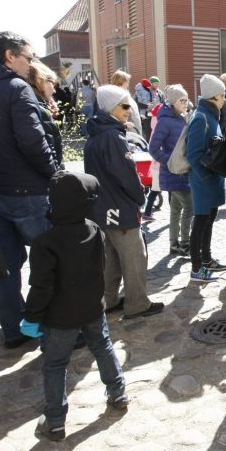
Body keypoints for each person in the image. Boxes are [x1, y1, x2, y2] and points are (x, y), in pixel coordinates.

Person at [0, 31, 59, 348]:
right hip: (27, 191)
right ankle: (55, 326)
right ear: (9, 56)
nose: (31, 64)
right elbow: (33, 140)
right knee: (51, 261)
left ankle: (15, 329)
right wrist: (55, 174)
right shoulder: (16, 88)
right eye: (28, 57)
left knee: (7, 264)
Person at [19, 170, 128, 440]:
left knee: (55, 364)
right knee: (103, 347)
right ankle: (118, 392)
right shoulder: (94, 231)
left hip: (60, 317)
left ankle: (55, 420)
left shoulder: (45, 242)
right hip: (92, 307)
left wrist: (32, 316)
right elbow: (100, 268)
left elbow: (42, 286)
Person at [84, 85, 163, 319]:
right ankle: (137, 303)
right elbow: (126, 175)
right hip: (120, 207)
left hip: (103, 207)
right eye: (125, 106)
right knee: (134, 257)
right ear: (111, 108)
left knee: (110, 258)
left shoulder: (96, 134)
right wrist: (140, 196)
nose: (129, 111)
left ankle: (108, 300)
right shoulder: (113, 137)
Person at [185, 75, 226, 281]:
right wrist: (205, 176)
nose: (224, 100)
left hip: (212, 179)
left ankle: (207, 260)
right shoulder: (200, 117)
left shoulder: (211, 115)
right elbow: (193, 154)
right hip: (204, 182)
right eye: (222, 96)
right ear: (213, 97)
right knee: (201, 223)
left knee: (209, 221)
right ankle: (196, 269)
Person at [148, 85, 193, 258]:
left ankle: (174, 245)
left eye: (187, 99)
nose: (186, 103)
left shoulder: (180, 117)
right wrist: (170, 161)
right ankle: (184, 244)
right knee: (190, 207)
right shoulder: (165, 120)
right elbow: (153, 148)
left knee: (175, 210)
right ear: (173, 101)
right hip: (174, 172)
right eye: (182, 100)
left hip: (181, 172)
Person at [27, 61, 64, 170]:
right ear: (39, 80)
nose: (54, 89)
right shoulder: (39, 110)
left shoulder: (36, 105)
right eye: (52, 83)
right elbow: (48, 149)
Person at [105, 70, 143, 136]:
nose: (128, 83)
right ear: (122, 81)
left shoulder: (125, 94)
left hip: (134, 130)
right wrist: (124, 125)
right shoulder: (117, 96)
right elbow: (113, 116)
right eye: (127, 81)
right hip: (127, 132)